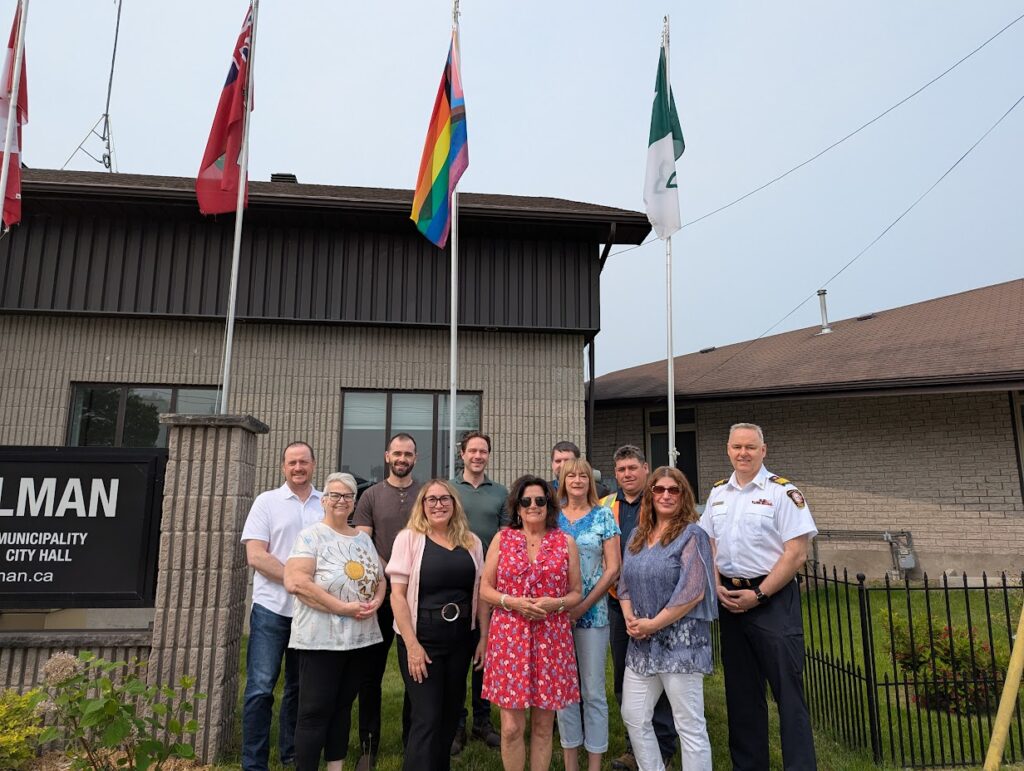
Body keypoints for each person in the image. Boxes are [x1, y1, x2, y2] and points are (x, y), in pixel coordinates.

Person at [699, 423, 818, 770]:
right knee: (742, 696)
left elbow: (796, 553)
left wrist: (760, 595)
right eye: (737, 447)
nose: (743, 453)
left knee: (789, 695)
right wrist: (717, 583)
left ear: (763, 450)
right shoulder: (718, 493)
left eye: (751, 447)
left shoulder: (783, 493)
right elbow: (709, 543)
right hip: (730, 599)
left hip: (772, 600)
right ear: (728, 449)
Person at [480, 475, 584, 771]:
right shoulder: (503, 539)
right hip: (509, 637)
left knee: (542, 726)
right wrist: (513, 602)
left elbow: (576, 592)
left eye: (540, 500)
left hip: (551, 637)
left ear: (549, 505)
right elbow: (485, 588)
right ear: (517, 506)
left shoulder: (565, 542)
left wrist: (557, 603)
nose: (533, 505)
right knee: (511, 727)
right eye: (526, 501)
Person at [284, 473, 386, 771]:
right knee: (314, 711)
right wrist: (341, 607)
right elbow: (296, 582)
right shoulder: (311, 536)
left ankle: (335, 767)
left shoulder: (363, 539)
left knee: (343, 707)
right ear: (324, 500)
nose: (341, 501)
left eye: (347, 496)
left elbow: (379, 578)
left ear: (354, 503)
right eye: (335, 495)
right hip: (320, 639)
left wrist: (378, 600)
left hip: (359, 639)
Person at [619, 466, 717, 771]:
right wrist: (631, 620)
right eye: (658, 489)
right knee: (633, 715)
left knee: (689, 724)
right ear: (650, 495)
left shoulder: (692, 535)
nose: (665, 495)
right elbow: (623, 584)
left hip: (680, 645)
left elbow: (692, 591)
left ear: (683, 496)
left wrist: (652, 624)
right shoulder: (637, 535)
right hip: (642, 643)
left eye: (673, 490)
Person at [387, 479, 489, 771]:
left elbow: (481, 593)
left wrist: (483, 637)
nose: (438, 504)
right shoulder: (408, 539)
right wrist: (412, 645)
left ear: (455, 504)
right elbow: (397, 596)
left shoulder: (471, 542)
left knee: (449, 715)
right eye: (431, 500)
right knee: (427, 717)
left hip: (460, 641)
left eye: (444, 499)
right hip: (422, 640)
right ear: (422, 506)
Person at [240, 441, 323, 771]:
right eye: (292, 462)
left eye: (304, 462)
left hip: (311, 611)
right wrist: (298, 579)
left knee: (298, 689)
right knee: (260, 687)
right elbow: (256, 556)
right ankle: (254, 763)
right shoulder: (267, 502)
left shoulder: (325, 504)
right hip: (272, 609)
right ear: (282, 467)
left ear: (313, 465)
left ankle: (291, 752)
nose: (298, 467)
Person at [601, 446, 678, 771]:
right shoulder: (606, 505)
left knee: (665, 677)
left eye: (633, 467)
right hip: (621, 606)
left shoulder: (661, 498)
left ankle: (664, 744)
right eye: (621, 470)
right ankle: (635, 747)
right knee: (627, 678)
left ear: (646, 468)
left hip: (663, 609)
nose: (627, 474)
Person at [352, 433, 423, 769]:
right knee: (370, 675)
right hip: (380, 596)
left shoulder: (425, 495)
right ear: (387, 456)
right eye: (397, 453)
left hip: (418, 597)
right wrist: (393, 573)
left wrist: (409, 576)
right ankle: (368, 745)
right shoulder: (370, 495)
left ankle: (414, 742)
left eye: (408, 453)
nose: (402, 458)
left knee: (416, 673)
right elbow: (364, 544)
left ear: (415, 458)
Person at [555, 458, 620, 771]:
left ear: (590, 482)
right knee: (565, 692)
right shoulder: (551, 517)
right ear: (562, 481)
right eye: (571, 476)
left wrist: (582, 606)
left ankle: (594, 763)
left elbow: (613, 569)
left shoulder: (603, 516)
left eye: (583, 476)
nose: (577, 480)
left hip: (593, 615)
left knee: (592, 691)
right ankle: (571, 764)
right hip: (555, 616)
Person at [451, 431, 507, 753]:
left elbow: (503, 537)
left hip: (490, 583)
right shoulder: (449, 489)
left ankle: (483, 721)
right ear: (462, 454)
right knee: (460, 653)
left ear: (488, 455)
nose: (477, 456)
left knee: (484, 653)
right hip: (455, 583)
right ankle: (457, 723)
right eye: (472, 450)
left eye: (483, 451)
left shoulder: (500, 493)